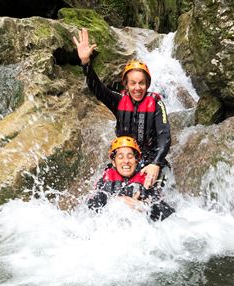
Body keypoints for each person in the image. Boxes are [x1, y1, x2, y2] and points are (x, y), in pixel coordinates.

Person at [73, 28, 171, 189]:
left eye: (142, 83)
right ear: (126, 84)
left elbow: (164, 136)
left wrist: (156, 163)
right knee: (104, 194)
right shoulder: (119, 101)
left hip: (150, 160)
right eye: (133, 83)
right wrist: (85, 63)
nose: (137, 88)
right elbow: (97, 89)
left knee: (149, 198)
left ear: (147, 84)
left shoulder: (156, 104)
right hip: (126, 158)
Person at [87, 136, 175, 221]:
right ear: (114, 162)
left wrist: (141, 206)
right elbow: (90, 209)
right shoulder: (106, 179)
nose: (126, 161)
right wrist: (114, 202)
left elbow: (169, 214)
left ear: (137, 160)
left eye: (130, 157)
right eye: (120, 157)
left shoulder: (147, 181)